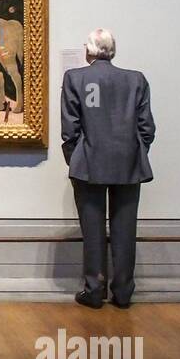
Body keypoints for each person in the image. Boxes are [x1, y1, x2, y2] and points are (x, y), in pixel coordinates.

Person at [60, 28, 155, 309]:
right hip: (128, 164)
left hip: (88, 163)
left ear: (89, 51)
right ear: (112, 51)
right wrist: (136, 152)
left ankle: (94, 289)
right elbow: (146, 128)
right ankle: (123, 292)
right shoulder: (136, 80)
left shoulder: (75, 78)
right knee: (125, 230)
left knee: (92, 230)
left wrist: (75, 157)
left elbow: (70, 129)